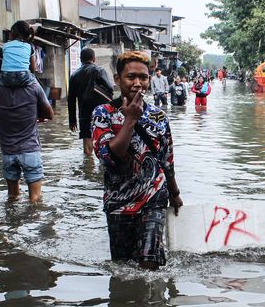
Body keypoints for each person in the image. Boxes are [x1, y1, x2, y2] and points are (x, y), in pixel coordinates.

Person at [92, 51, 183, 269]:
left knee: (149, 263)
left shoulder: (158, 117)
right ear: (117, 80)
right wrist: (130, 119)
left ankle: (153, 303)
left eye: (143, 77)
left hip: (154, 199)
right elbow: (110, 156)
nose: (137, 83)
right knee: (122, 268)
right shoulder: (102, 114)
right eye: (131, 77)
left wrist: (175, 193)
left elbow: (167, 159)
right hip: (118, 203)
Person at [0, 60, 54, 204]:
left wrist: (5, 114)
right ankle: (32, 223)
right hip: (30, 150)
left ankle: (12, 225)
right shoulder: (34, 86)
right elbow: (50, 114)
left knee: (12, 198)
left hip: (8, 152)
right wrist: (34, 116)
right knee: (35, 200)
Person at [67, 47, 114, 155]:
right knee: (104, 140)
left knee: (87, 148)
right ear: (94, 59)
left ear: (80, 59)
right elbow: (110, 90)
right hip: (100, 113)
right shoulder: (100, 70)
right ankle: (102, 168)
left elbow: (71, 100)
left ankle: (88, 167)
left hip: (84, 114)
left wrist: (72, 120)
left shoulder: (74, 75)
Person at [0, 20, 36, 87]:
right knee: (39, 90)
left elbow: (0, 64)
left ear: (12, 32)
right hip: (23, 78)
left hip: (6, 78)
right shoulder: (29, 47)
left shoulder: (5, 46)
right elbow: (33, 68)